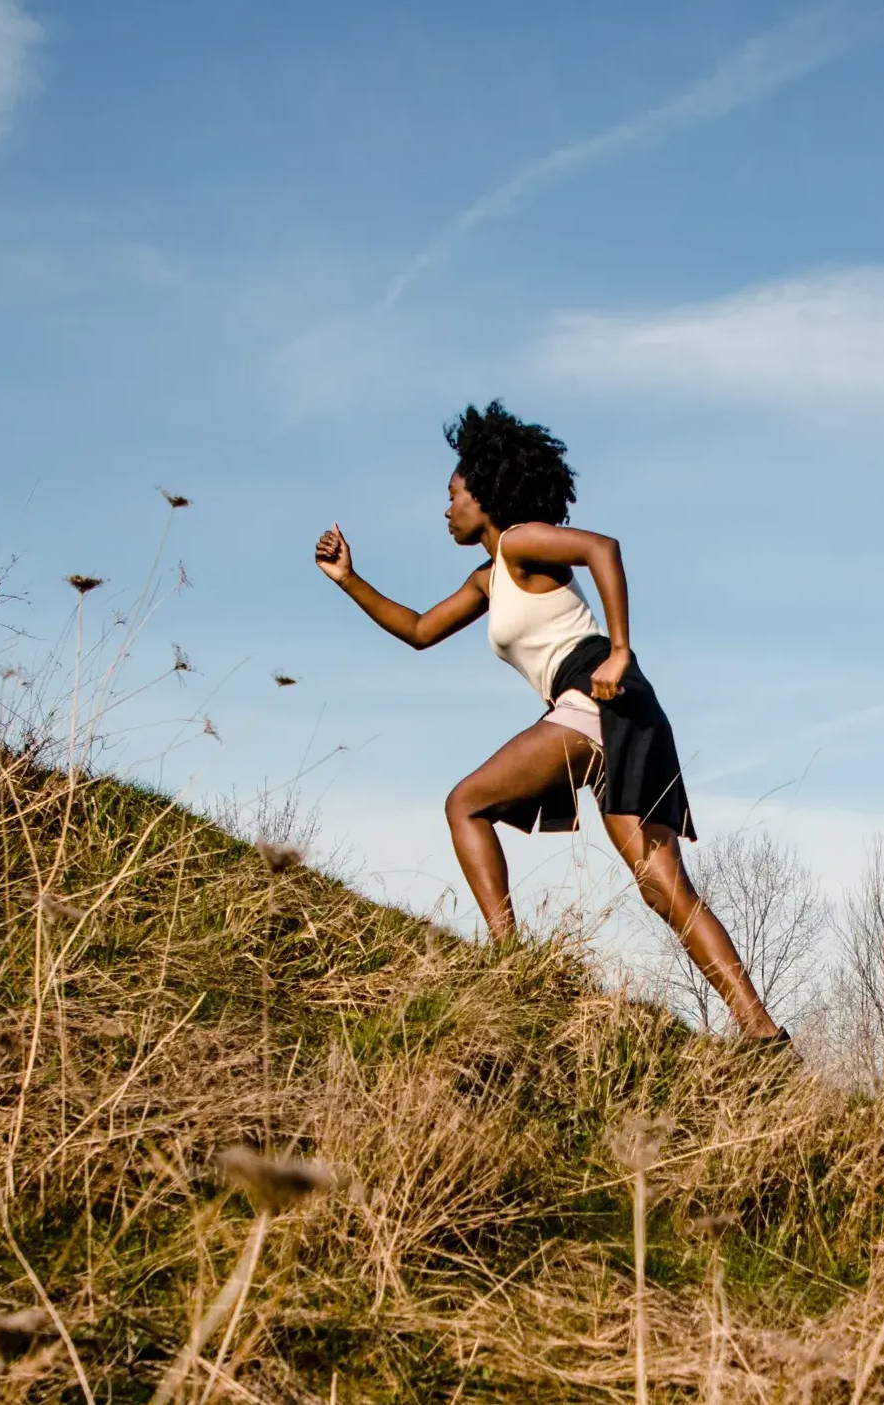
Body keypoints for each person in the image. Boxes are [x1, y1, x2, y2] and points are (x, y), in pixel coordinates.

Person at [314, 400, 787, 1044]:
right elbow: (421, 631)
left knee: (465, 804)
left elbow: (602, 547)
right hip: (615, 707)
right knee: (661, 887)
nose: (446, 508)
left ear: (485, 497)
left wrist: (620, 649)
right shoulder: (488, 579)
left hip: (599, 691)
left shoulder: (519, 542)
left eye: (453, 494)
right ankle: (760, 1032)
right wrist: (349, 579)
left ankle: (508, 959)